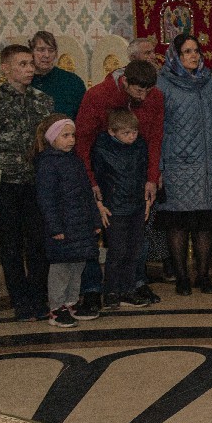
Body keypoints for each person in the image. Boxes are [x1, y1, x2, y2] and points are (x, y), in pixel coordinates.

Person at [75, 59, 164, 305]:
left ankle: (133, 284)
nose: (144, 96)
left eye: (148, 91)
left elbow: (155, 139)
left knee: (137, 242)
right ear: (125, 82)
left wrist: (152, 178)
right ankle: (100, 289)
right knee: (114, 245)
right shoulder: (98, 96)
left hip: (136, 184)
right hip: (108, 182)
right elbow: (83, 142)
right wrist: (91, 183)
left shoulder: (155, 97)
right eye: (139, 90)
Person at [155, 34, 212, 297]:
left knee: (205, 224)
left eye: (196, 51)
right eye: (187, 51)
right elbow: (156, 128)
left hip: (207, 166)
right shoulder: (163, 84)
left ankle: (203, 275)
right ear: (175, 56)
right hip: (175, 166)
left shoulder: (210, 82)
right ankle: (181, 277)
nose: (193, 56)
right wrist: (158, 167)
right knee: (177, 224)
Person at [0, 44, 54, 320]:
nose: (29, 69)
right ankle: (21, 301)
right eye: (22, 64)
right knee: (11, 245)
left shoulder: (43, 101)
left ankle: (39, 297)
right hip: (6, 184)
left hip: (36, 183)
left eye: (30, 64)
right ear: (6, 68)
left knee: (38, 243)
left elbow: (49, 145)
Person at [34, 116, 100, 327]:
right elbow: (46, 200)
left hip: (81, 225)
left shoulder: (75, 161)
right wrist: (54, 227)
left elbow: (87, 194)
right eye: (65, 135)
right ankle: (56, 307)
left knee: (77, 265)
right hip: (62, 227)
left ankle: (71, 301)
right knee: (61, 268)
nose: (71, 139)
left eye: (73, 135)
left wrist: (95, 220)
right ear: (52, 138)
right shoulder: (47, 164)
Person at [92, 109, 152, 310]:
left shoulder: (140, 146)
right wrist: (100, 204)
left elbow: (144, 174)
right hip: (114, 207)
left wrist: (146, 200)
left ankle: (127, 290)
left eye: (134, 132)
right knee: (117, 251)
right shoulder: (102, 149)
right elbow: (98, 179)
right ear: (112, 131)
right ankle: (111, 291)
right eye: (126, 133)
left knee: (134, 250)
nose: (132, 136)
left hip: (137, 205)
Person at [29, 31, 86, 118]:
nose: (47, 55)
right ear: (31, 53)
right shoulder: (24, 81)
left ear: (56, 54)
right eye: (41, 50)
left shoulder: (73, 82)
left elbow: (83, 118)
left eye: (51, 50)